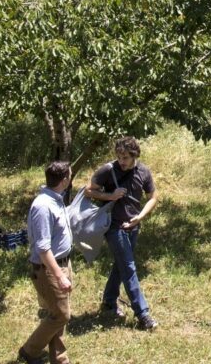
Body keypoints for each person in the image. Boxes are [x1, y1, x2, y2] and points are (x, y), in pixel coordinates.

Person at [86, 136, 159, 330]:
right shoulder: (108, 170)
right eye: (119, 156)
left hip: (133, 226)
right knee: (129, 268)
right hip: (114, 226)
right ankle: (143, 314)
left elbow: (153, 197)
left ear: (135, 155)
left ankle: (109, 301)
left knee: (120, 266)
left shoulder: (143, 171)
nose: (122, 161)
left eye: (125, 157)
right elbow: (89, 191)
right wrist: (110, 195)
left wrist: (140, 217)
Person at [18, 161, 75, 364]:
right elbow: (43, 249)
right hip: (49, 269)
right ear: (65, 180)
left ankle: (59, 359)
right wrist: (59, 276)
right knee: (61, 315)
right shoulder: (43, 206)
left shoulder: (56, 199)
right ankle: (29, 351)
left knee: (58, 312)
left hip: (62, 263)